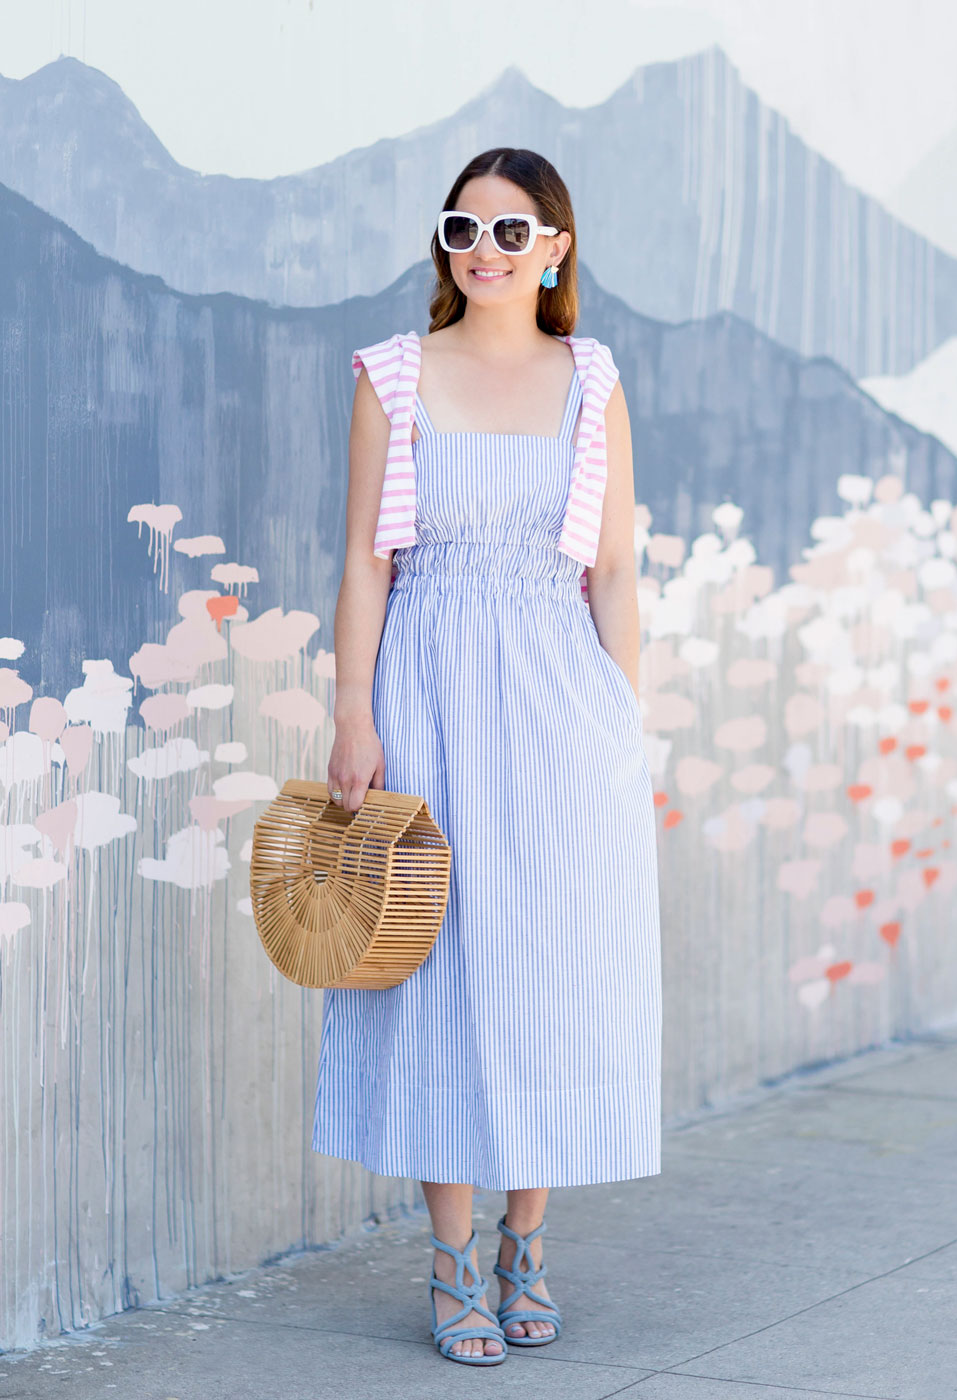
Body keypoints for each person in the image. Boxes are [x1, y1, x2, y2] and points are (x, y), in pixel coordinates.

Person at [313, 146, 662, 1368]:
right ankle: (452, 1259)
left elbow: (611, 570)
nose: (485, 250)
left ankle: (529, 1240)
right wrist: (354, 710)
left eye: (513, 232)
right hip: (428, 686)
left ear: (556, 249)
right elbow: (366, 558)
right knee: (443, 972)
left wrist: (624, 720)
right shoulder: (394, 376)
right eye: (465, 227)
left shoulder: (592, 379)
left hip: (559, 694)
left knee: (548, 964)